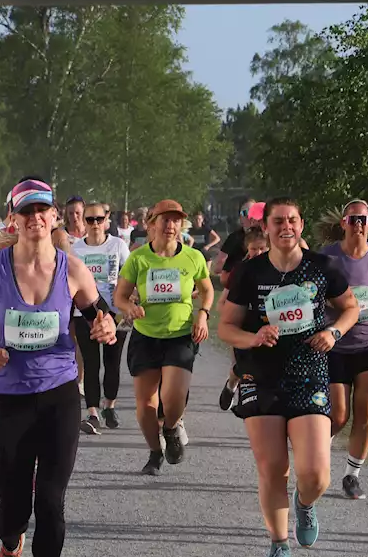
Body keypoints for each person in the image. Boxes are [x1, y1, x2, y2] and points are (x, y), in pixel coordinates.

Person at [0, 177, 117, 557]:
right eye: (26, 211)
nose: (35, 218)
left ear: (52, 217)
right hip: (8, 397)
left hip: (58, 395)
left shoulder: (71, 268)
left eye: (42, 210)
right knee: (13, 508)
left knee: (51, 501)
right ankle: (11, 546)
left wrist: (104, 328)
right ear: (13, 217)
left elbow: (97, 314)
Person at [218, 198, 359, 557]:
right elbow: (226, 327)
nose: (286, 227)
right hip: (259, 376)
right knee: (273, 467)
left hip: (309, 371)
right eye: (278, 221)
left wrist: (334, 331)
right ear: (265, 227)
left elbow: (350, 308)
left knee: (316, 474)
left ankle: (305, 502)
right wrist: (255, 337)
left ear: (300, 225)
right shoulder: (250, 273)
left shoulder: (322, 267)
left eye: (293, 220)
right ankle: (279, 545)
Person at [114, 199, 213, 476]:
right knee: (146, 405)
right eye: (164, 219)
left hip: (180, 334)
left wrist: (203, 315)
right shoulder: (139, 258)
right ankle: (155, 452)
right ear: (152, 224)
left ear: (182, 224)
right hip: (146, 336)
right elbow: (119, 296)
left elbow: (207, 290)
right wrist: (129, 307)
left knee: (172, 397)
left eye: (176, 220)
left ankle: (170, 428)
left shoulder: (193, 257)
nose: (170, 226)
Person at [321, 199, 368, 500]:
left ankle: (352, 475)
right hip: (336, 343)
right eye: (353, 219)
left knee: (366, 413)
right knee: (338, 414)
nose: (359, 225)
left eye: (364, 219)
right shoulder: (326, 257)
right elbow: (311, 294)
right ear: (344, 223)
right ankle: (313, 454)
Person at [72, 203, 131, 433]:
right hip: (84, 313)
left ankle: (110, 405)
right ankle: (92, 412)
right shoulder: (76, 250)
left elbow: (130, 274)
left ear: (107, 219)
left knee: (112, 363)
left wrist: (128, 300)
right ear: (83, 222)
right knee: (91, 363)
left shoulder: (118, 245)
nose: (95, 224)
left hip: (115, 313)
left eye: (99, 219)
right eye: (89, 220)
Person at [216, 226, 268, 411]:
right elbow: (221, 303)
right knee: (242, 367)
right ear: (247, 249)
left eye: (263, 248)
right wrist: (232, 319)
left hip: (269, 330)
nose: (258, 252)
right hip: (243, 329)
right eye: (254, 248)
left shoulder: (277, 270)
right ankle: (232, 385)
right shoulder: (240, 271)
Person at [212, 196, 257, 278]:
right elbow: (217, 267)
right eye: (245, 213)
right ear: (240, 217)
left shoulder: (268, 236)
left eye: (252, 212)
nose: (249, 216)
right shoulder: (233, 238)